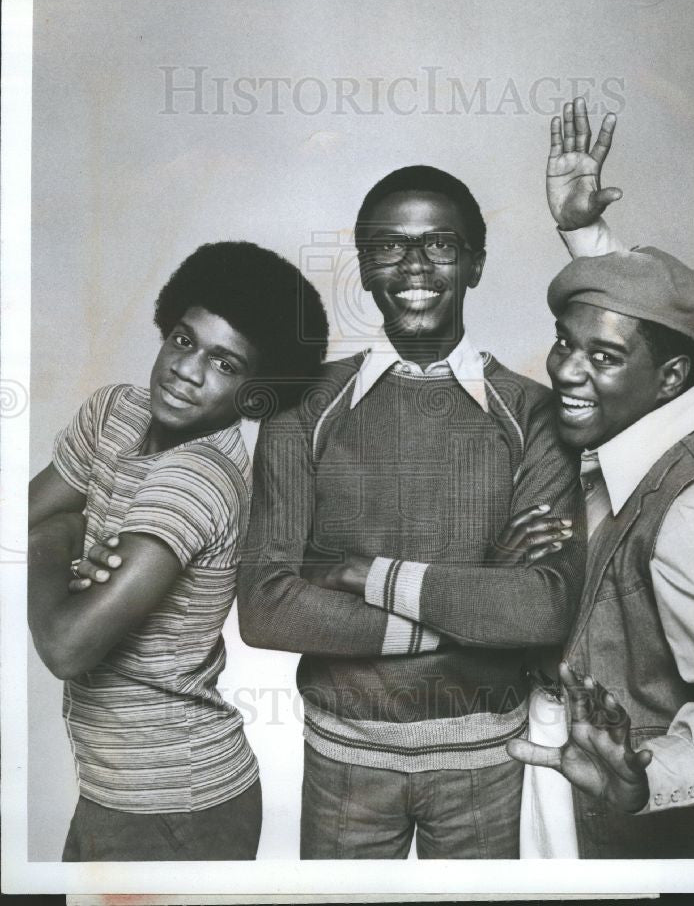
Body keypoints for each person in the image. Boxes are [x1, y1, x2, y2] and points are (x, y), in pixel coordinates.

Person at [232, 150, 612, 858]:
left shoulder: (534, 414)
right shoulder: (302, 407)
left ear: (474, 263)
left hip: (486, 762)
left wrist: (354, 571)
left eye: (439, 243)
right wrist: (472, 606)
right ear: (363, 265)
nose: (413, 264)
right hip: (345, 761)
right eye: (388, 246)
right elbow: (264, 608)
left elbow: (540, 609)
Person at [27, 241, 329, 861]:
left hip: (178, 804)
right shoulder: (115, 411)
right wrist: (49, 533)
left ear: (254, 393)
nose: (186, 371)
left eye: (224, 363)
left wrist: (52, 536)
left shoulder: (200, 477)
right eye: (186, 342)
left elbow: (68, 644)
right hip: (109, 785)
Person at [505, 112, 694, 858]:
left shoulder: (692, 511)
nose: (565, 372)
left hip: (641, 826)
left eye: (599, 359)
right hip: (564, 782)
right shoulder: (683, 404)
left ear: (667, 377)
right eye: (564, 345)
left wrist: (652, 777)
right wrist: (587, 241)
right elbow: (648, 322)